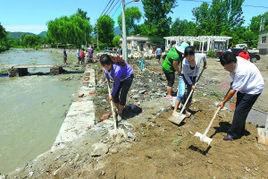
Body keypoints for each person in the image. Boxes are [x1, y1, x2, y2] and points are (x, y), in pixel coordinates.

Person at [218, 51, 264, 141]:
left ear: (231, 63)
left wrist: (223, 102)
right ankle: (240, 129)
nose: (225, 69)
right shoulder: (235, 60)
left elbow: (233, 90)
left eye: (225, 67)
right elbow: (234, 84)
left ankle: (233, 134)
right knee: (240, 109)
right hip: (245, 85)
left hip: (253, 89)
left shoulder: (241, 71)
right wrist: (234, 84)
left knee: (239, 110)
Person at [173, 46, 207, 116]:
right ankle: (175, 110)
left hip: (193, 77)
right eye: (186, 57)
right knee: (181, 93)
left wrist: (205, 64)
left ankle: (185, 110)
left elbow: (204, 56)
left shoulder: (199, 56)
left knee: (190, 94)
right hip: (184, 76)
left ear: (193, 54)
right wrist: (191, 84)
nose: (188, 59)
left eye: (190, 57)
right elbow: (185, 74)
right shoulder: (184, 62)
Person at [100, 54, 134, 118]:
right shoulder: (105, 68)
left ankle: (120, 112)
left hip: (128, 76)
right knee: (115, 95)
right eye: (104, 66)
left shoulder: (117, 69)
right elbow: (106, 73)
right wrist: (107, 80)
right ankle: (118, 108)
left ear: (111, 63)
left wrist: (111, 94)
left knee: (123, 94)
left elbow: (116, 84)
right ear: (102, 65)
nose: (106, 67)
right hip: (119, 78)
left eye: (108, 65)